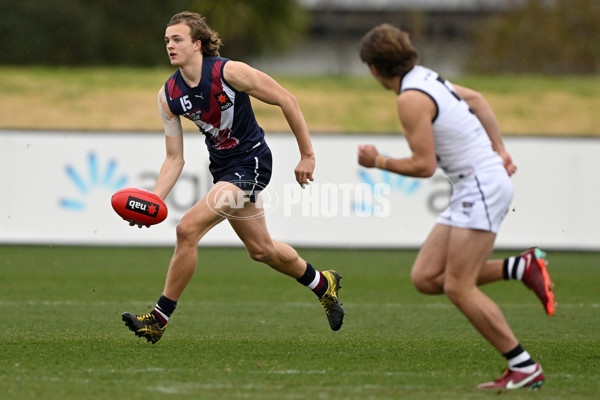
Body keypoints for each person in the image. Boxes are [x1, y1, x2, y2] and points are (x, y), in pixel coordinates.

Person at [121, 11, 344, 344]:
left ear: (197, 44)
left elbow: (287, 99)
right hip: (224, 170)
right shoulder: (168, 95)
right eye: (167, 40)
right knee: (261, 249)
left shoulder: (229, 72)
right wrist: (154, 200)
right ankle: (322, 283)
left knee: (187, 229)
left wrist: (307, 155)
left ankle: (158, 318)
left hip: (251, 163)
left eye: (178, 39)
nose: (170, 45)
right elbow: (174, 158)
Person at [357, 24, 555, 390]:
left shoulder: (409, 98)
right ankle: (520, 267)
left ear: (373, 69)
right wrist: (499, 147)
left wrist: (378, 162)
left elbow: (424, 166)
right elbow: (477, 99)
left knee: (459, 287)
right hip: (476, 184)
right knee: (426, 277)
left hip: (478, 186)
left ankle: (523, 365)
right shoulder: (427, 77)